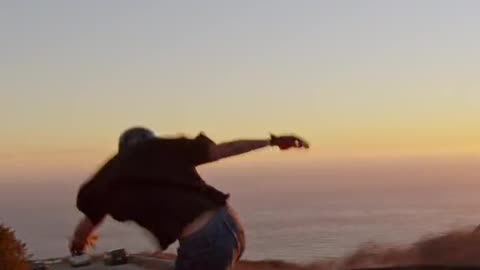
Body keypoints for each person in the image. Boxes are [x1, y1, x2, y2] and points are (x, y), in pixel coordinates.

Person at [69, 127, 309, 270]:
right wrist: (272, 141)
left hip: (204, 240)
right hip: (230, 224)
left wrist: (78, 247)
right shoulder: (166, 149)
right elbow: (227, 149)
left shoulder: (112, 175)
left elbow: (88, 223)